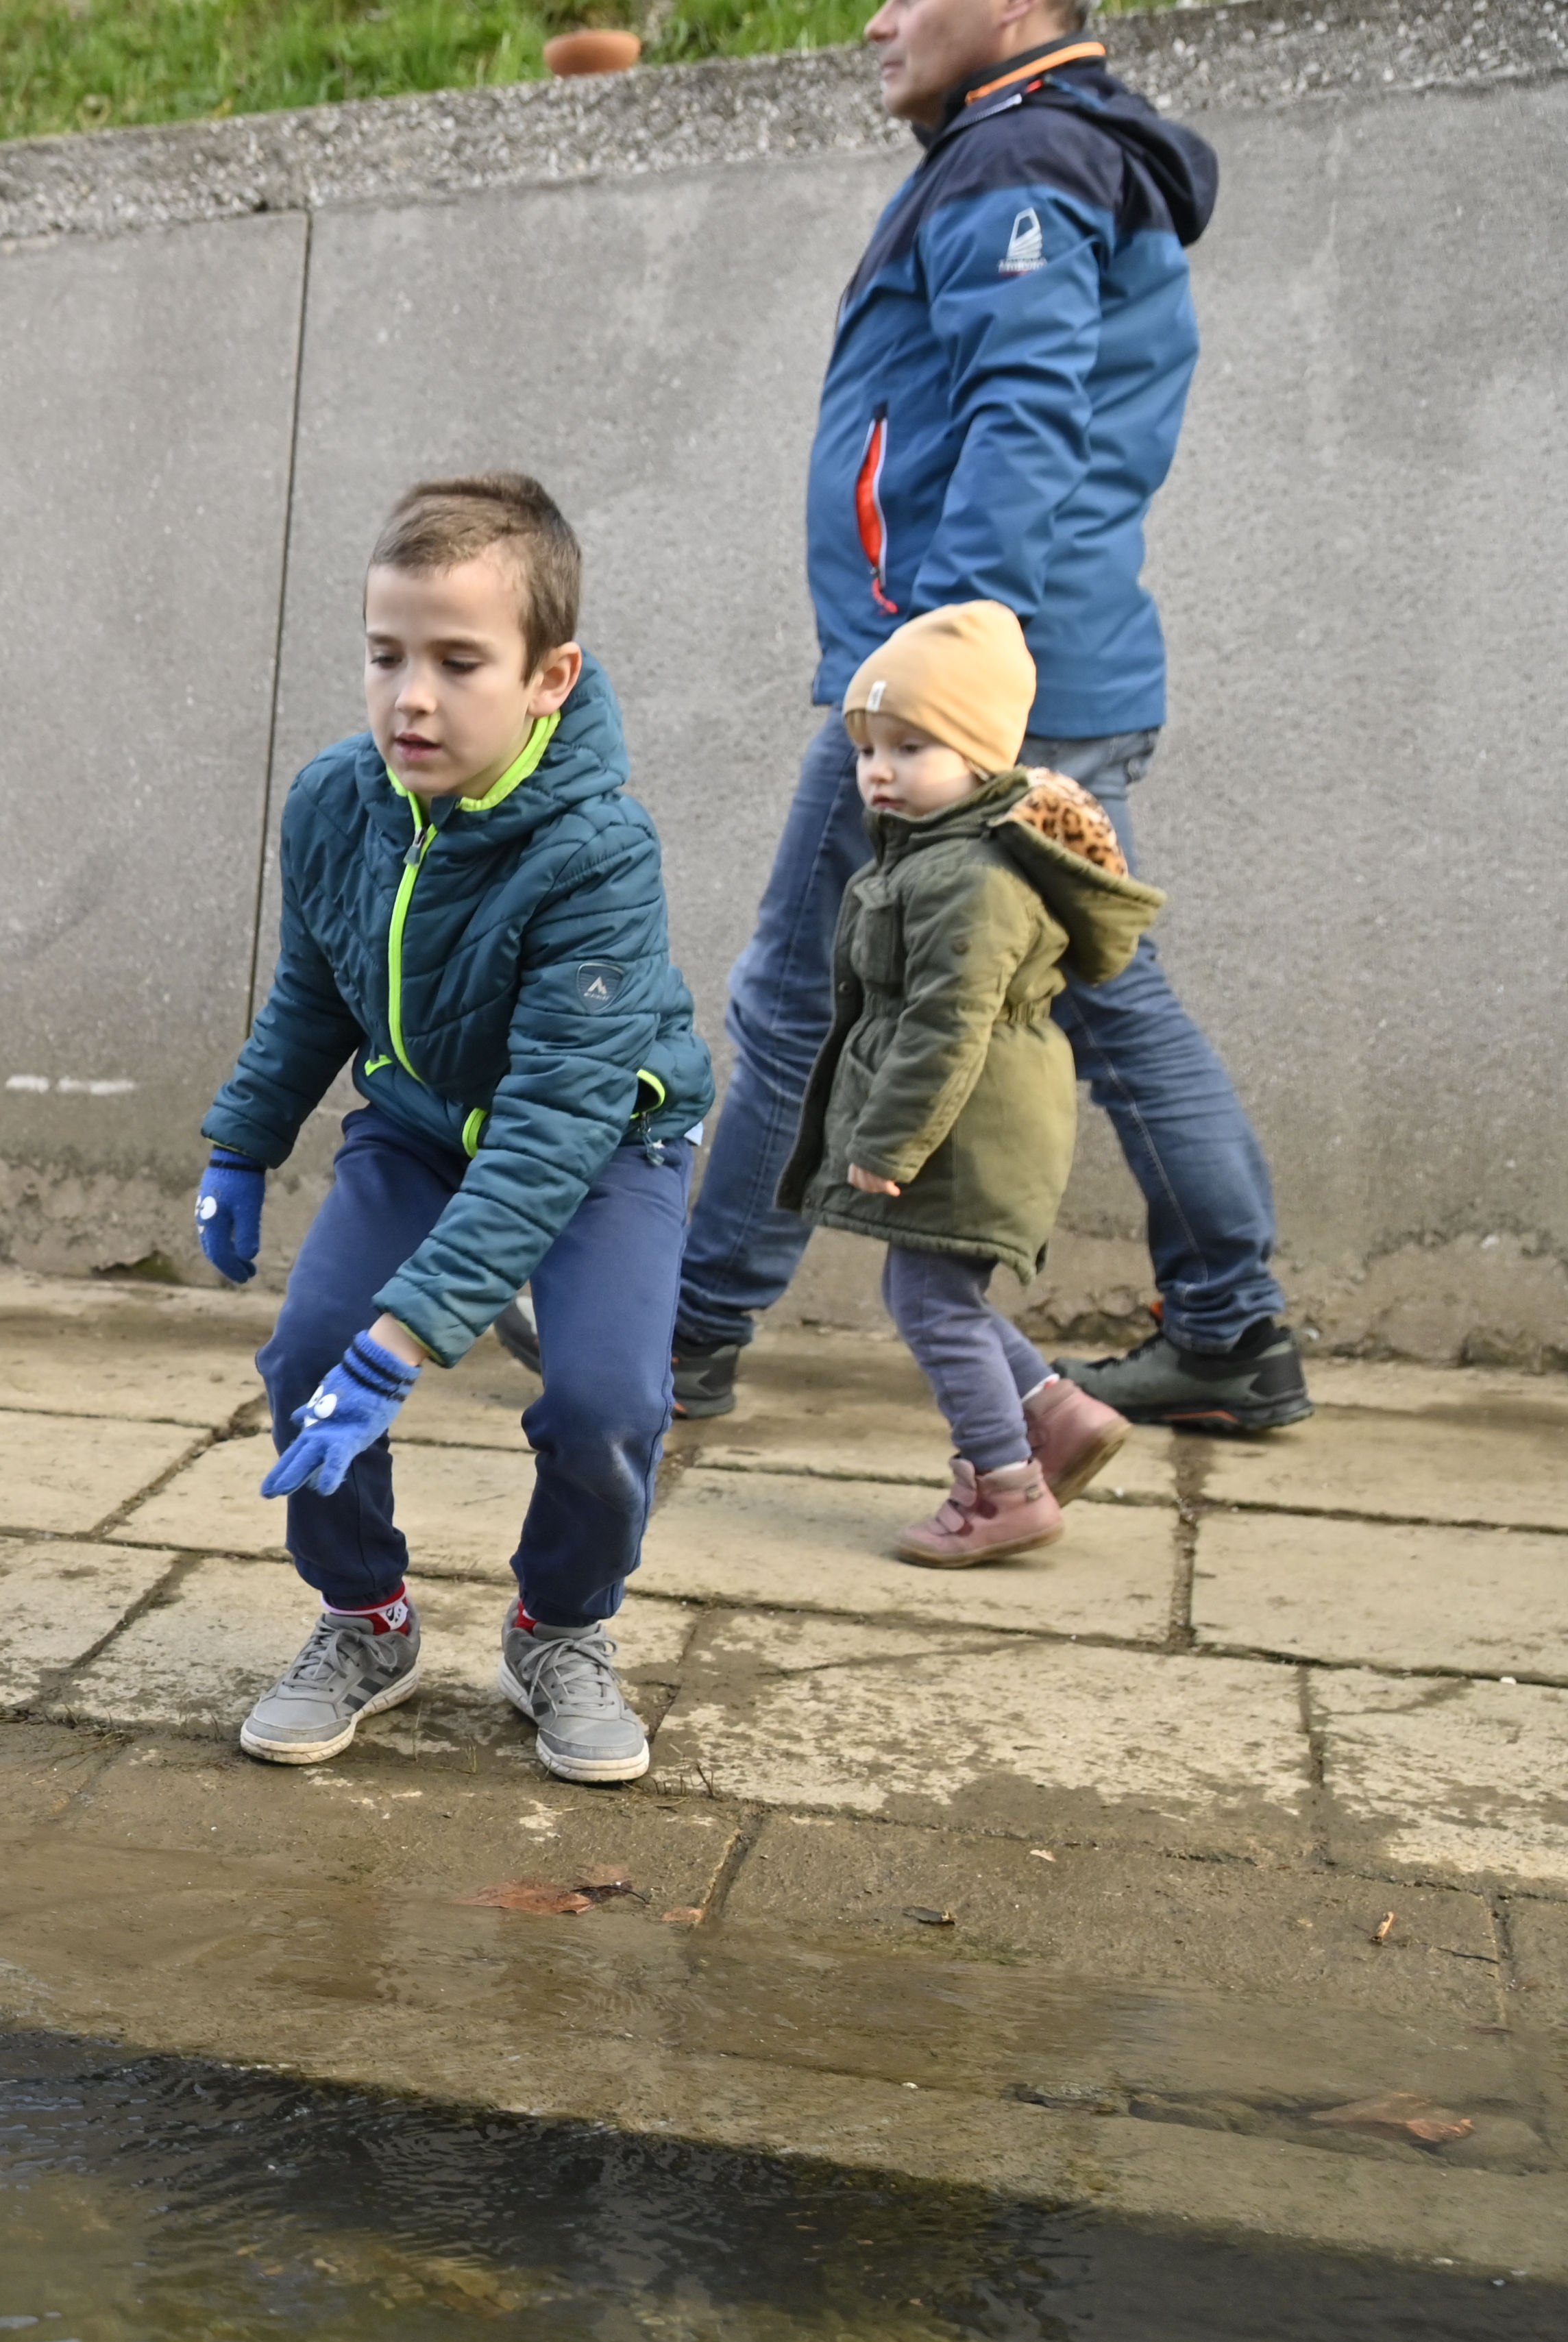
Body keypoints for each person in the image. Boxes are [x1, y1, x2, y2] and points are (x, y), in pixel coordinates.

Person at [668, 0, 1299, 1438]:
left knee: (807, 988)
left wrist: (942, 670)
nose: (875, 20)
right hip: (1048, 668)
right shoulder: (1057, 153)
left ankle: (689, 1327)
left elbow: (1024, 412)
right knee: (1108, 997)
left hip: (969, 682)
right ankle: (1230, 1325)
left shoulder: (1020, 160)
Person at [197, 476, 713, 1788]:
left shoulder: (599, 852)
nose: (409, 698)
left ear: (548, 677)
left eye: (456, 661)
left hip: (601, 1143)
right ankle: (363, 1617)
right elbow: (314, 990)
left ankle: (559, 1629)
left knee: (606, 1400)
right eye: (385, 654)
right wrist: (241, 1141)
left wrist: (410, 1334)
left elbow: (551, 1127)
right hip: (420, 1125)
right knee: (309, 1349)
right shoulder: (336, 799)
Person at [775, 602, 1157, 1566]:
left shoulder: (970, 880)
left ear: (983, 755)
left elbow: (947, 1028)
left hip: (969, 1129)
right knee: (935, 1291)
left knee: (932, 1302)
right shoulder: (932, 855)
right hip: (971, 1121)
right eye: (869, 749)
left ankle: (1005, 1485)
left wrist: (888, 1143)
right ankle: (1056, 1413)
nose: (880, 770)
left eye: (912, 747)